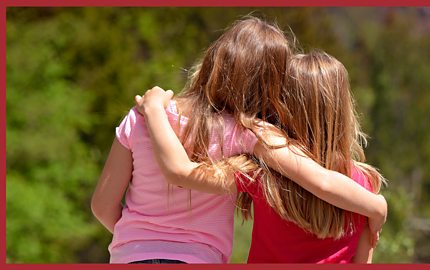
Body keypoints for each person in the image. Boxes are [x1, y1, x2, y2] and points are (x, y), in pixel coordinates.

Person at [92, 16, 386, 264]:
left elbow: (102, 207)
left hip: (128, 255)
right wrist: (376, 206)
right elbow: (318, 179)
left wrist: (139, 243)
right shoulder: (246, 133)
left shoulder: (140, 116)